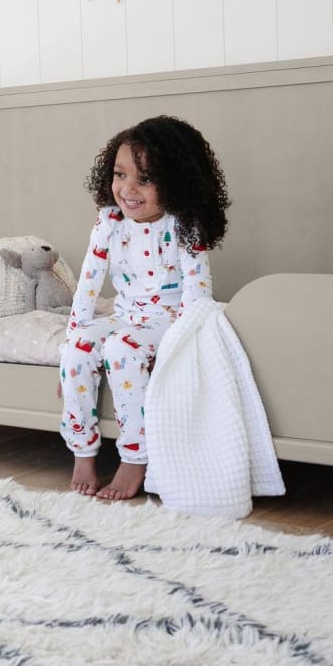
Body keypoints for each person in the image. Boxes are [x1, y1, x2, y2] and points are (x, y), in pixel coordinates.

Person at [58, 116, 230, 500]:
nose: (128, 189)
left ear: (176, 183)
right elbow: (87, 285)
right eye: (120, 175)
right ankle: (82, 451)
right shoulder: (110, 223)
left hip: (168, 320)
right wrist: (69, 362)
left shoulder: (184, 227)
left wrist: (174, 352)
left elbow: (197, 294)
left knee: (121, 349)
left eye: (145, 179)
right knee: (77, 347)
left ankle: (136, 457)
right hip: (125, 315)